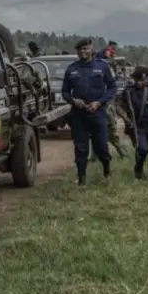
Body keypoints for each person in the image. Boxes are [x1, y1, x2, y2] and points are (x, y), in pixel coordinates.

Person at [61, 38, 116, 185]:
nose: (83, 52)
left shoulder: (102, 67)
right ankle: (81, 178)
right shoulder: (71, 69)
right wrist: (73, 100)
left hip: (98, 113)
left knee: (101, 146)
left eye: (86, 49)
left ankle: (107, 169)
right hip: (79, 115)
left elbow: (112, 88)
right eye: (80, 49)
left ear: (92, 50)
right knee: (80, 148)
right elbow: (65, 91)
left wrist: (99, 102)